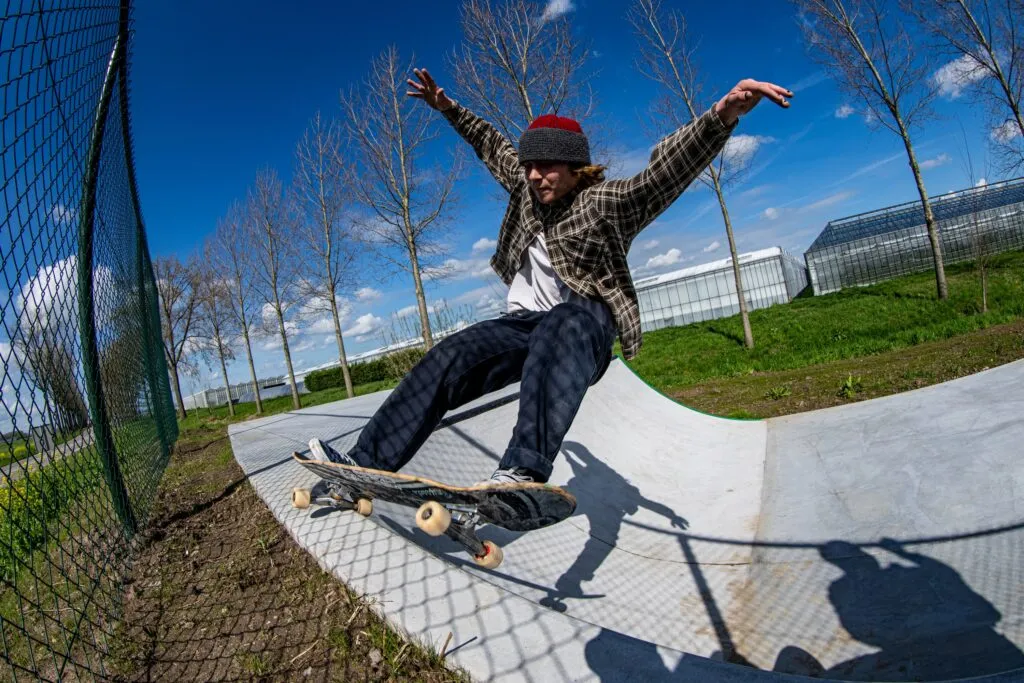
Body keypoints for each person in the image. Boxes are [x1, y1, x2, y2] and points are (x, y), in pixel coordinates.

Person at [311, 68, 792, 486]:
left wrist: (722, 115)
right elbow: (490, 143)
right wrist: (447, 108)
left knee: (564, 319)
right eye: (530, 167)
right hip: (525, 327)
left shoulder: (604, 202)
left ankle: (521, 471)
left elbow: (660, 177)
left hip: (586, 323)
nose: (536, 177)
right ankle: (364, 464)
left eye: (548, 167)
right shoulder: (525, 185)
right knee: (451, 354)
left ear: (576, 166)